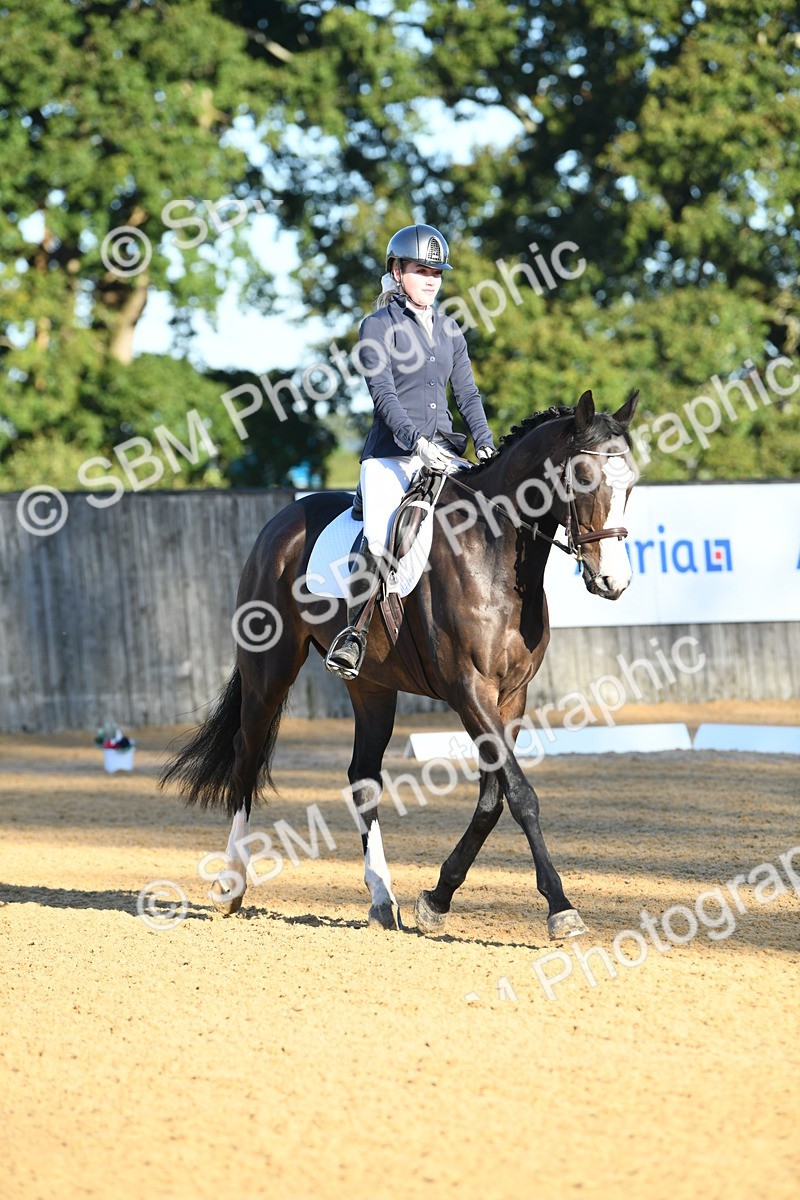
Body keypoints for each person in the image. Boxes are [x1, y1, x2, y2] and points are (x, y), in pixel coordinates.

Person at [324, 222, 496, 679]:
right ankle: (356, 634)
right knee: (383, 538)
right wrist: (415, 441)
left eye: (437, 273)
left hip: (444, 453)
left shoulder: (450, 330)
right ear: (397, 272)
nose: (432, 280)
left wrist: (485, 442)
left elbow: (468, 395)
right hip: (391, 457)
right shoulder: (377, 326)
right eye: (422, 270)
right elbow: (383, 395)